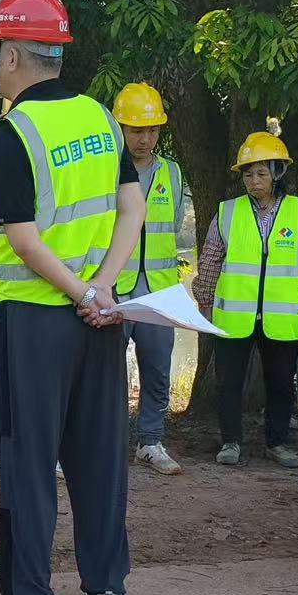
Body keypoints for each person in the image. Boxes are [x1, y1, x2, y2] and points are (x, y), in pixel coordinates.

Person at [0, 0, 146, 595]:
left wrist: (78, 292)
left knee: (27, 463)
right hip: (102, 320)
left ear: (14, 55)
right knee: (100, 458)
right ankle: (106, 591)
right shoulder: (102, 120)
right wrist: (102, 288)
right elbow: (132, 209)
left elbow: (22, 239)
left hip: (34, 323)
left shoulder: (13, 132)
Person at [193, 123, 298, 468]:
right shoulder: (228, 212)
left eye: (261, 173)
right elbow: (210, 258)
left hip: (282, 316)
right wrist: (204, 300)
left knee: (281, 384)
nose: (254, 181)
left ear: (278, 173)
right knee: (229, 383)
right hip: (234, 314)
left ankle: (277, 443)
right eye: (248, 174)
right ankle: (230, 442)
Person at [111, 81, 185, 475]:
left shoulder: (171, 172)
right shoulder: (107, 170)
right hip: (114, 287)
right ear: (120, 128)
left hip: (160, 290)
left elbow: (173, 223)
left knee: (158, 368)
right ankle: (109, 441)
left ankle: (151, 441)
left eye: (153, 130)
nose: (145, 139)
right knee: (109, 370)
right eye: (137, 130)